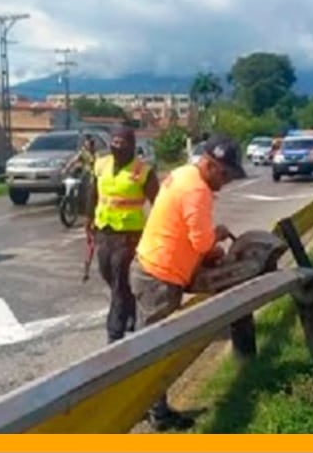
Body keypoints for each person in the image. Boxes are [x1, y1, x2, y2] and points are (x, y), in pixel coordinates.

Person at [130, 134, 246, 431]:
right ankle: (157, 413)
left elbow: (183, 226)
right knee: (156, 347)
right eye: (224, 173)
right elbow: (201, 241)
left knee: (144, 340)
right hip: (161, 275)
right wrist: (217, 238)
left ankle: (143, 403)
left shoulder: (183, 173)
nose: (227, 180)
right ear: (208, 164)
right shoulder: (198, 191)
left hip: (148, 264)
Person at [87, 126, 160, 343]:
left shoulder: (143, 172)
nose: (117, 147)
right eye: (114, 142)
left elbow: (158, 204)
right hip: (104, 232)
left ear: (132, 146)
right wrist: (88, 220)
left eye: (122, 143)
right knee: (107, 274)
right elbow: (94, 192)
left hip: (129, 236)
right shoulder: (101, 164)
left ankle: (114, 333)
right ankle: (130, 312)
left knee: (119, 282)